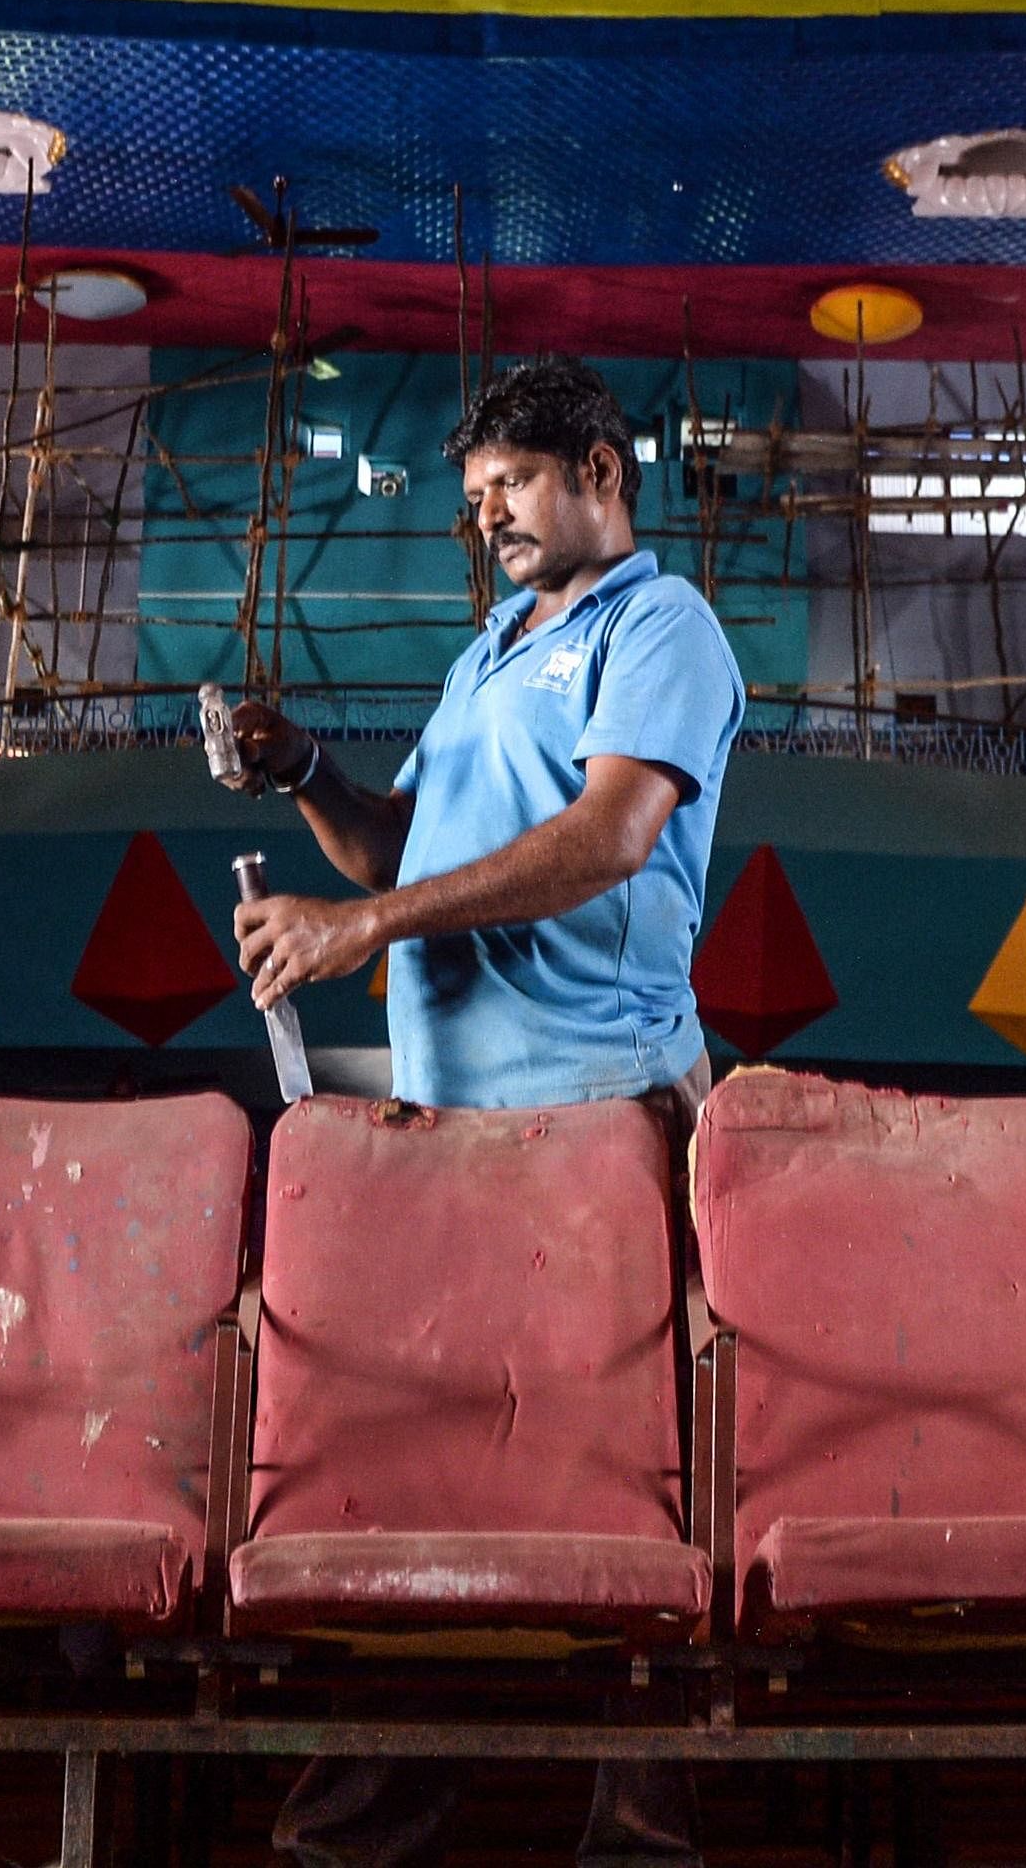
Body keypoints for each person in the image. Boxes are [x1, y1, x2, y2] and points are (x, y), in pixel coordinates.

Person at [218, 354, 741, 1868]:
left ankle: (639, 1839)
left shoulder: (663, 628)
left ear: (599, 468)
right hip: (453, 1140)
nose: (490, 518)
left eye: (511, 484)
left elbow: (604, 841)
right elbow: (404, 854)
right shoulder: (489, 652)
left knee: (611, 1481)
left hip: (596, 1123)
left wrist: (363, 935)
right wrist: (309, 768)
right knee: (436, 1471)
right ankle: (372, 1821)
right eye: (474, 497)